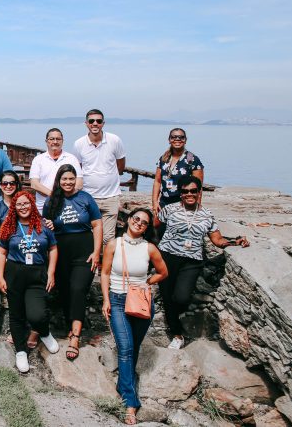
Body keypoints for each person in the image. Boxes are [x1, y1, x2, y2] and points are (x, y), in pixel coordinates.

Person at [157, 176, 249, 349]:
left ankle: (179, 321)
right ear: (180, 193)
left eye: (193, 190)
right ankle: (177, 335)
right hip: (167, 257)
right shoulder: (169, 209)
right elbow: (156, 227)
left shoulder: (207, 215)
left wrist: (235, 242)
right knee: (167, 297)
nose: (189, 194)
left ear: (199, 192)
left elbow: (217, 240)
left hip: (192, 260)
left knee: (182, 296)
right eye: (185, 191)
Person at [100, 208, 169, 425]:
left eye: (144, 222)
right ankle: (131, 402)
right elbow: (105, 272)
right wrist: (106, 299)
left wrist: (146, 283)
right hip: (118, 301)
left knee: (133, 348)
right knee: (126, 348)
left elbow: (163, 272)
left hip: (141, 303)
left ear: (148, 227)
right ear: (129, 220)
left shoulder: (149, 248)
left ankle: (123, 384)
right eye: (136, 219)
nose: (139, 223)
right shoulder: (114, 244)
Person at [42, 164, 103, 361]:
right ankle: (71, 326)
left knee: (78, 288)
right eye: (64, 179)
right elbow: (45, 227)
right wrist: (48, 225)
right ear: (58, 181)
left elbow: (97, 224)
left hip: (84, 252)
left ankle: (76, 336)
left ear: (76, 179)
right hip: (61, 252)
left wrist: (97, 252)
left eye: (71, 178)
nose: (68, 182)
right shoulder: (52, 201)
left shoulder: (85, 198)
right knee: (66, 291)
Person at [0, 191, 59, 373]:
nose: (23, 207)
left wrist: (51, 272)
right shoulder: (9, 227)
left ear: (32, 204)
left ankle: (44, 332)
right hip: (15, 272)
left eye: (26, 203)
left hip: (37, 274)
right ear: (14, 207)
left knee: (36, 315)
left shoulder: (43, 225)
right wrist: (0, 277)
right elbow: (1, 252)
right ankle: (21, 351)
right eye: (19, 204)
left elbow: (53, 248)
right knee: (16, 315)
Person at [71, 109, 126, 245]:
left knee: (108, 238)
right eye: (91, 121)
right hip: (89, 196)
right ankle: (91, 265)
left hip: (111, 196)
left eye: (98, 121)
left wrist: (107, 178)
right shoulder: (79, 144)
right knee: (89, 236)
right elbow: (78, 169)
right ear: (86, 124)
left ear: (103, 123)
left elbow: (121, 166)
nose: (95, 124)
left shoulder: (114, 140)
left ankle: (106, 266)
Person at [152, 128, 204, 222]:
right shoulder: (164, 158)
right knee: (159, 230)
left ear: (185, 140)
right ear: (169, 140)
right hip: (164, 202)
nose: (177, 139)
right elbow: (157, 181)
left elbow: (198, 186)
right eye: (174, 137)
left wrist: (197, 207)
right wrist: (155, 202)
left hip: (183, 203)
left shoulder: (191, 158)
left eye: (181, 137)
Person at [29, 128, 82, 213]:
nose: (55, 141)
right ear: (46, 141)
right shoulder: (38, 159)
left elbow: (79, 183)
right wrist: (55, 196)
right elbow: (34, 184)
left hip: (67, 206)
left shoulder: (71, 158)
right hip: (43, 207)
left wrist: (66, 197)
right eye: (52, 139)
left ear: (62, 141)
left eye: (58, 139)